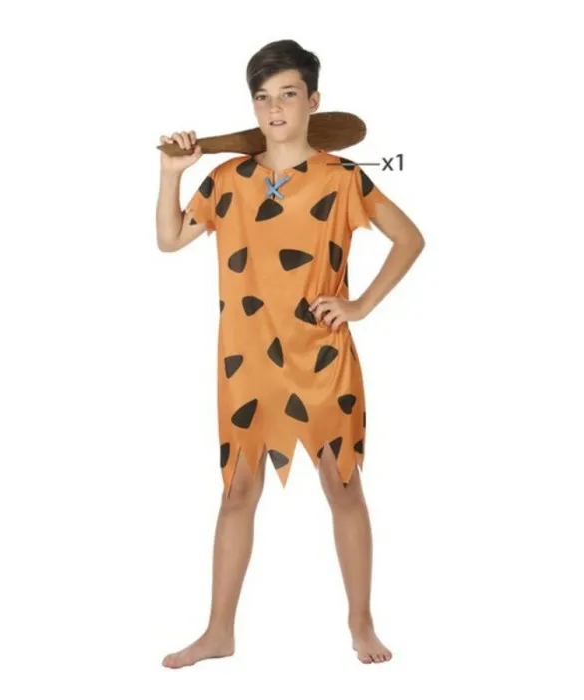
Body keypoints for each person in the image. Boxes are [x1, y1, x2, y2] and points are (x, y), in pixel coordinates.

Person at [156, 39, 425, 668]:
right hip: (246, 361)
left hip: (321, 361)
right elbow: (169, 239)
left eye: (287, 94)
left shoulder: (342, 179)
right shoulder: (227, 180)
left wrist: (359, 305)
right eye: (263, 97)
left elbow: (409, 239)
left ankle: (361, 623)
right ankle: (218, 632)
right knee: (237, 491)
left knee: (343, 485)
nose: (275, 108)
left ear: (313, 101)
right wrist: (171, 175)